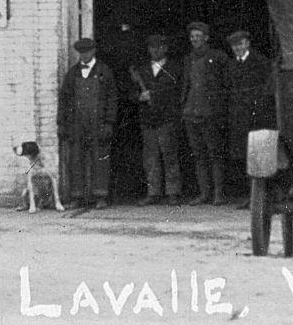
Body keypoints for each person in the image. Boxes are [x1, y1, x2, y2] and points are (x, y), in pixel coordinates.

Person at [57, 37, 118, 210]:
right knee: (76, 160)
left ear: (93, 51)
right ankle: (77, 196)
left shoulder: (104, 72)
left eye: (87, 52)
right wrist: (62, 123)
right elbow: (64, 100)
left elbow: (112, 99)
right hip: (77, 124)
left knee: (100, 159)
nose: (84, 55)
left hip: (99, 123)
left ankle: (100, 196)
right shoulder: (72, 73)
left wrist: (109, 123)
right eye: (81, 52)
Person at [128, 33, 184, 204]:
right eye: (152, 47)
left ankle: (173, 192)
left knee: (170, 156)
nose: (155, 50)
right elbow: (131, 93)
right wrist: (139, 97)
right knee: (150, 158)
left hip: (167, 118)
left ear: (165, 48)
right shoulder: (141, 70)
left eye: (159, 47)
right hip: (148, 120)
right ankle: (153, 193)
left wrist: (154, 95)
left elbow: (178, 91)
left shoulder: (175, 68)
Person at [221, 28, 274, 204]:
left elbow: (267, 90)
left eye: (240, 44)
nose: (237, 48)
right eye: (234, 46)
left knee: (257, 156)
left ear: (248, 44)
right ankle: (248, 196)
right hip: (238, 117)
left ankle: (259, 196)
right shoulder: (231, 65)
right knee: (242, 156)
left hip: (256, 117)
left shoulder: (260, 62)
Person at [181, 21, 229, 204]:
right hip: (191, 112)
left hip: (210, 114)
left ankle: (218, 194)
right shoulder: (189, 59)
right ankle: (204, 193)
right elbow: (186, 85)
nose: (194, 40)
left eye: (198, 36)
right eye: (192, 37)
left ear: (206, 38)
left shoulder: (218, 57)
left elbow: (225, 85)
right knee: (199, 155)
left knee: (215, 154)